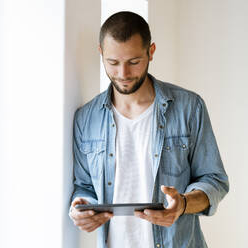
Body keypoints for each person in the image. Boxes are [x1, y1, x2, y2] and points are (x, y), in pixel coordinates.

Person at [69, 11, 229, 248]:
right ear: (101, 53)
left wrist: (182, 204)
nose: (123, 74)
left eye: (134, 62)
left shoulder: (189, 107)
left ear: (151, 51)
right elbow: (84, 185)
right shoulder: (86, 118)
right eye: (113, 63)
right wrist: (81, 206)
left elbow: (215, 180)